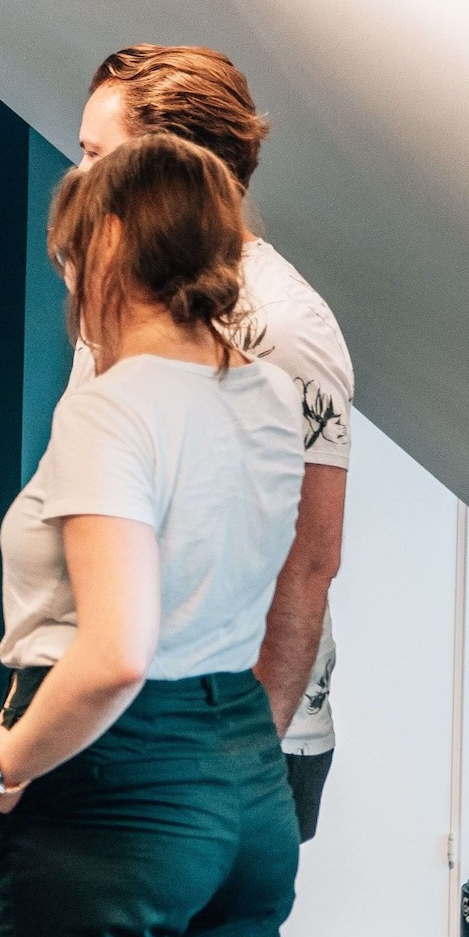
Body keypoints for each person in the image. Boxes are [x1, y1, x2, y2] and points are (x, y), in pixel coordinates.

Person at [0, 134, 306, 937]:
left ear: (113, 244)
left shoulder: (110, 410)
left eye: (71, 259)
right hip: (244, 774)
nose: (67, 284)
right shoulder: (262, 393)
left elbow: (114, 653)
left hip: (114, 781)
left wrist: (6, 759)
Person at [74, 45, 352, 842]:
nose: (80, 177)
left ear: (172, 168)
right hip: (123, 705)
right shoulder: (124, 292)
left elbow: (309, 559)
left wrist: (244, 756)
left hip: (237, 734)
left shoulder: (286, 329)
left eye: (98, 157)